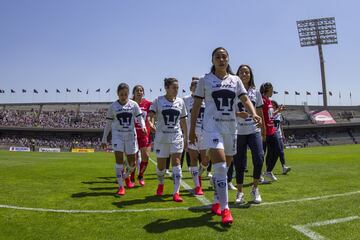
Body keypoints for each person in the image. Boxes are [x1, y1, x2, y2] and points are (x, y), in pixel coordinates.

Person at [189, 47, 261, 225]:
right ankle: (225, 209)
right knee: (221, 167)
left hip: (231, 128)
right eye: (218, 57)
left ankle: (216, 198)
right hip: (212, 128)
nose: (221, 59)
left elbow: (245, 99)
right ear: (212, 60)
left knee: (225, 166)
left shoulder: (235, 80)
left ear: (228, 59)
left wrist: (254, 113)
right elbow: (196, 106)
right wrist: (191, 130)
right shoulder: (205, 80)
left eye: (224, 57)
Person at [101, 83, 147, 196]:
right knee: (119, 161)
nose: (123, 96)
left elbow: (140, 117)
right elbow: (108, 124)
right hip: (118, 136)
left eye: (125, 94)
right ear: (118, 94)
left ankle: (126, 177)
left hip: (131, 135)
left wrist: (143, 126)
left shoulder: (134, 104)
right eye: (121, 94)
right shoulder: (113, 107)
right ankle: (121, 187)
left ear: (128, 93)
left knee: (133, 163)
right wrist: (104, 139)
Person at [149, 78, 188, 202]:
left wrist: (186, 136)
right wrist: (151, 123)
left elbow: (183, 121)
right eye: (174, 87)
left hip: (176, 137)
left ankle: (176, 192)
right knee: (161, 168)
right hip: (161, 138)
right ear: (167, 88)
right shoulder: (158, 101)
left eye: (177, 87)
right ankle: (161, 183)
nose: (176, 90)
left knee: (176, 163)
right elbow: (150, 115)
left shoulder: (181, 102)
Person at [233, 64, 265, 204]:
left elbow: (259, 112)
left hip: (254, 130)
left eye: (247, 72)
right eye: (242, 72)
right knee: (239, 163)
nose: (244, 74)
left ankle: (255, 188)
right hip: (238, 132)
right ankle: (240, 192)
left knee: (259, 158)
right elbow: (226, 111)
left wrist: (262, 128)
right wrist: (238, 114)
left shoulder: (255, 92)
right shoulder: (233, 91)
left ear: (250, 75)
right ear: (237, 75)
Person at [183, 78, 208, 196]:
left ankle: (198, 175)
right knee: (193, 159)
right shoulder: (185, 100)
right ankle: (198, 186)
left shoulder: (207, 99)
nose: (195, 86)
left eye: (197, 85)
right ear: (190, 87)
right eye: (193, 84)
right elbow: (182, 118)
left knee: (206, 160)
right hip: (191, 133)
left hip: (205, 134)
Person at [131, 85, 155, 186]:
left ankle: (140, 175)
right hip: (132, 135)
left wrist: (151, 124)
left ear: (143, 92)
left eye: (141, 90)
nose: (139, 92)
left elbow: (151, 116)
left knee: (146, 156)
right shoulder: (129, 104)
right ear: (134, 93)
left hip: (144, 134)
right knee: (133, 158)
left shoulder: (148, 104)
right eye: (137, 90)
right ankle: (131, 177)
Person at [260, 82, 282, 181]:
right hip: (264, 131)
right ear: (268, 89)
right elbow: (261, 116)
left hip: (271, 130)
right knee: (261, 154)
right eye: (272, 89)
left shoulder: (269, 101)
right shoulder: (262, 100)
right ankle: (259, 175)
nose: (273, 91)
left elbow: (270, 115)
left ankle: (268, 171)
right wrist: (262, 130)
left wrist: (278, 111)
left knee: (277, 150)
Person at [271, 100, 291, 175]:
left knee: (281, 151)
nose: (272, 106)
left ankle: (284, 167)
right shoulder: (270, 113)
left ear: (276, 106)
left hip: (278, 135)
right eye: (271, 105)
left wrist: (283, 135)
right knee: (271, 153)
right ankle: (268, 169)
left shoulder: (279, 114)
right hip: (271, 135)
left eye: (273, 105)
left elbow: (281, 125)